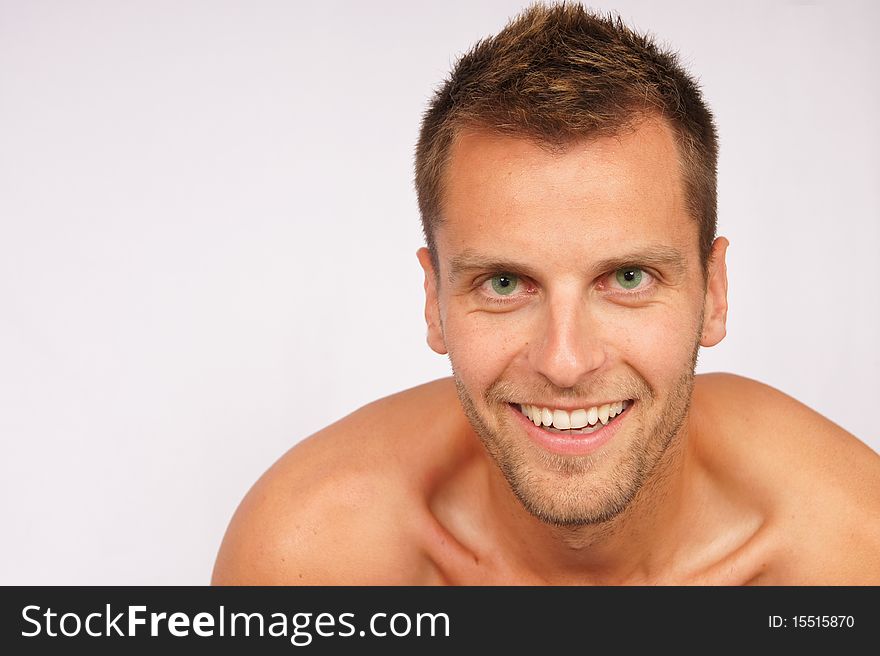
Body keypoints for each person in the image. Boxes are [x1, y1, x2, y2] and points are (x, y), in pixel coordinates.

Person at [212, 4, 880, 585]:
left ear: (714, 293)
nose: (564, 363)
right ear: (433, 301)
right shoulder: (311, 559)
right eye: (504, 284)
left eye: (627, 278)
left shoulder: (847, 551)